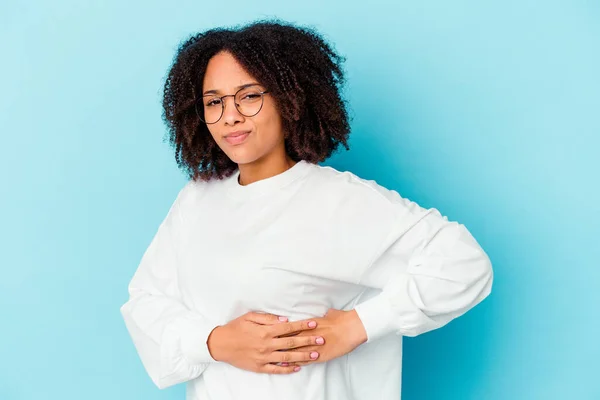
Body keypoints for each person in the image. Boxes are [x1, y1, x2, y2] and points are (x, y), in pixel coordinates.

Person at [120, 19, 493, 400]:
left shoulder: (338, 200)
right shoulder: (197, 199)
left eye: (249, 96)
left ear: (289, 99)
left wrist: (358, 325)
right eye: (214, 102)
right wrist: (214, 342)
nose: (230, 115)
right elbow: (147, 300)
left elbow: (463, 263)